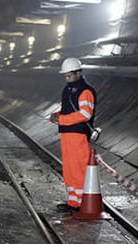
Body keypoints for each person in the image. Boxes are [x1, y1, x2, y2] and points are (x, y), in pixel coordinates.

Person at [49, 57, 97, 212]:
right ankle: (73, 202)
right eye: (65, 76)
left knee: (78, 168)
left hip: (78, 135)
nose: (66, 78)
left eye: (68, 75)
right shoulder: (68, 89)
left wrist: (62, 119)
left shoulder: (85, 91)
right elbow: (65, 107)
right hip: (67, 134)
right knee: (69, 169)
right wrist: (55, 115)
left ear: (78, 73)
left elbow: (85, 114)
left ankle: (83, 201)